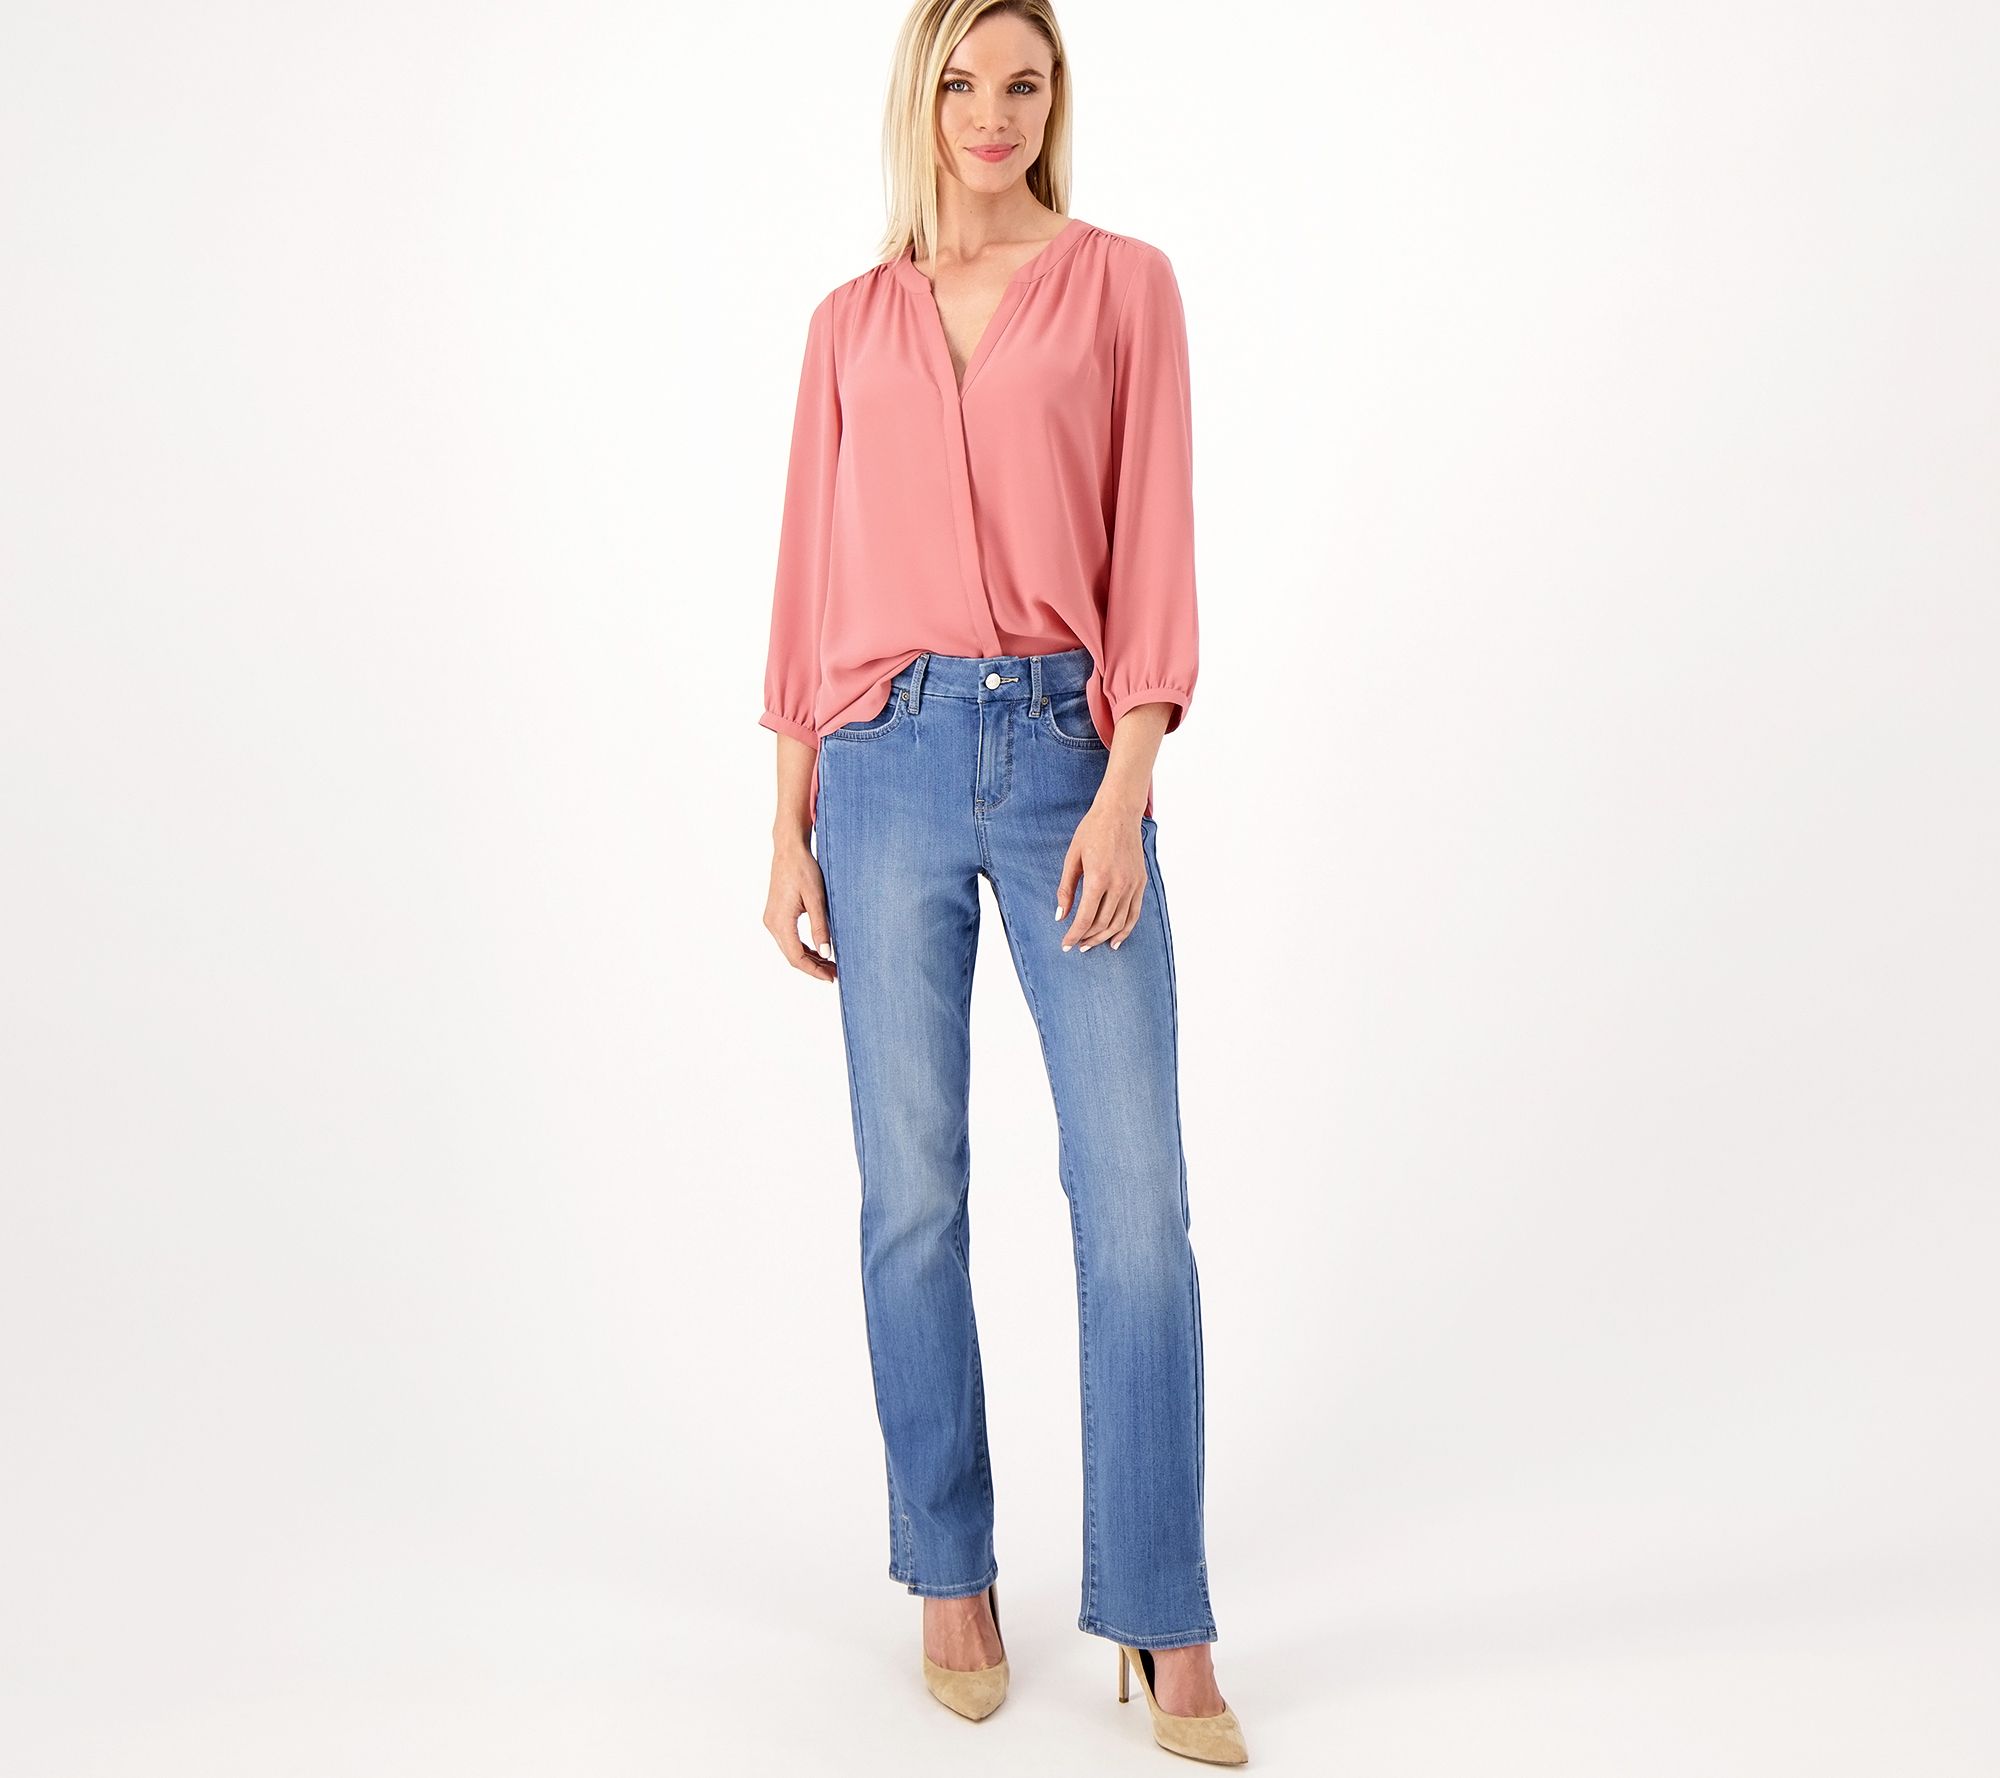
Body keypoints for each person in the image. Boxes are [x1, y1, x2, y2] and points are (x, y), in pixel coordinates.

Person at [757, 2, 1246, 1763]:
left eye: (1023, 82)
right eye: (962, 80)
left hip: (1063, 756)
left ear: (1055, 101)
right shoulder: (849, 322)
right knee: (912, 1191)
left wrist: (1127, 780)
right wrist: (790, 813)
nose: (992, 112)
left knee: (1136, 1201)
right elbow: (811, 569)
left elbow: (1153, 540)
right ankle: (948, 1569)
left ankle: (1162, 1605)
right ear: (922, 97)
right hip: (879, 764)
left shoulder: (1124, 288)